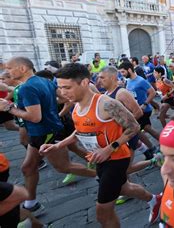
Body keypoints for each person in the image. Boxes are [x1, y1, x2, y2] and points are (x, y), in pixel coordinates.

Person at [40, 63, 161, 226]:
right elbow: (79, 132)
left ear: (83, 83)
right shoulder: (76, 105)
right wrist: (58, 145)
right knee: (125, 188)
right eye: (60, 88)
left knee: (103, 214)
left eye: (67, 87)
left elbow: (134, 126)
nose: (62, 93)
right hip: (99, 159)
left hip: (117, 159)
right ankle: (155, 200)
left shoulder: (106, 104)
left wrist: (109, 148)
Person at [0, 57, 96, 215]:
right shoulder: (43, 81)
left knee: (64, 167)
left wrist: (9, 108)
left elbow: (35, 117)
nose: (7, 71)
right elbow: (64, 98)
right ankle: (31, 203)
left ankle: (106, 177)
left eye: (10, 68)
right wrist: (50, 108)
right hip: (40, 132)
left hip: (46, 132)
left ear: (23, 69)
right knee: (28, 167)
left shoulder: (27, 88)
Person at [118, 61, 161, 146]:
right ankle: (155, 147)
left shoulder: (141, 81)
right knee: (145, 130)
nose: (122, 74)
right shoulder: (129, 80)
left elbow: (152, 92)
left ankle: (153, 148)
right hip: (135, 110)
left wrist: (144, 104)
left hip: (143, 111)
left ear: (129, 70)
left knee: (138, 131)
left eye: (123, 72)